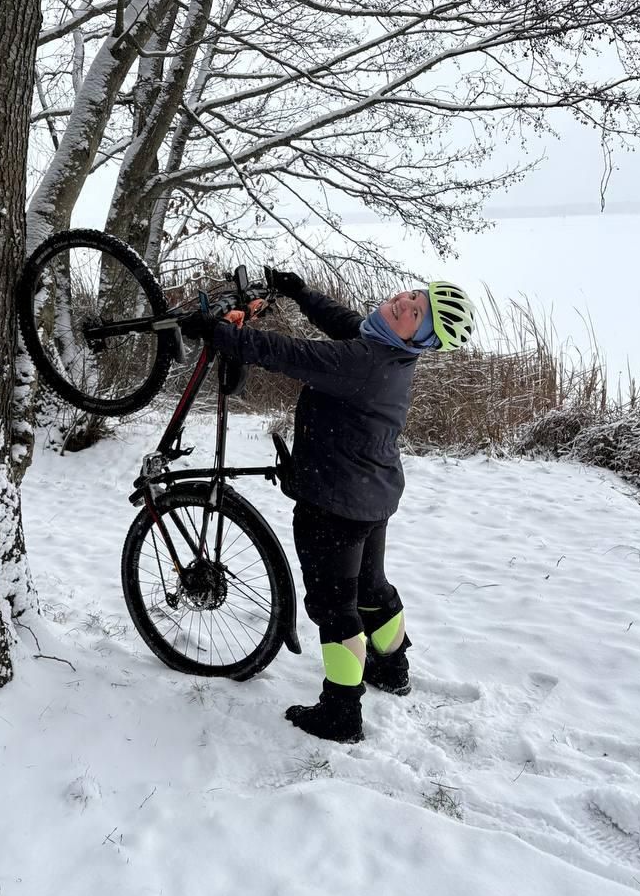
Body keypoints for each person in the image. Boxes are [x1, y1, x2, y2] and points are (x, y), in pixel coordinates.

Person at [181, 272, 475, 744]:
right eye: (413, 295)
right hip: (371, 494)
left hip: (335, 503)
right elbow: (344, 322)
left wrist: (221, 334)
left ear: (420, 338)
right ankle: (392, 668)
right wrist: (301, 293)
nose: (404, 302)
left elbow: (291, 355)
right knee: (370, 588)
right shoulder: (388, 350)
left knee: (334, 606)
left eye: (417, 313)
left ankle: (341, 711)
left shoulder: (365, 363)